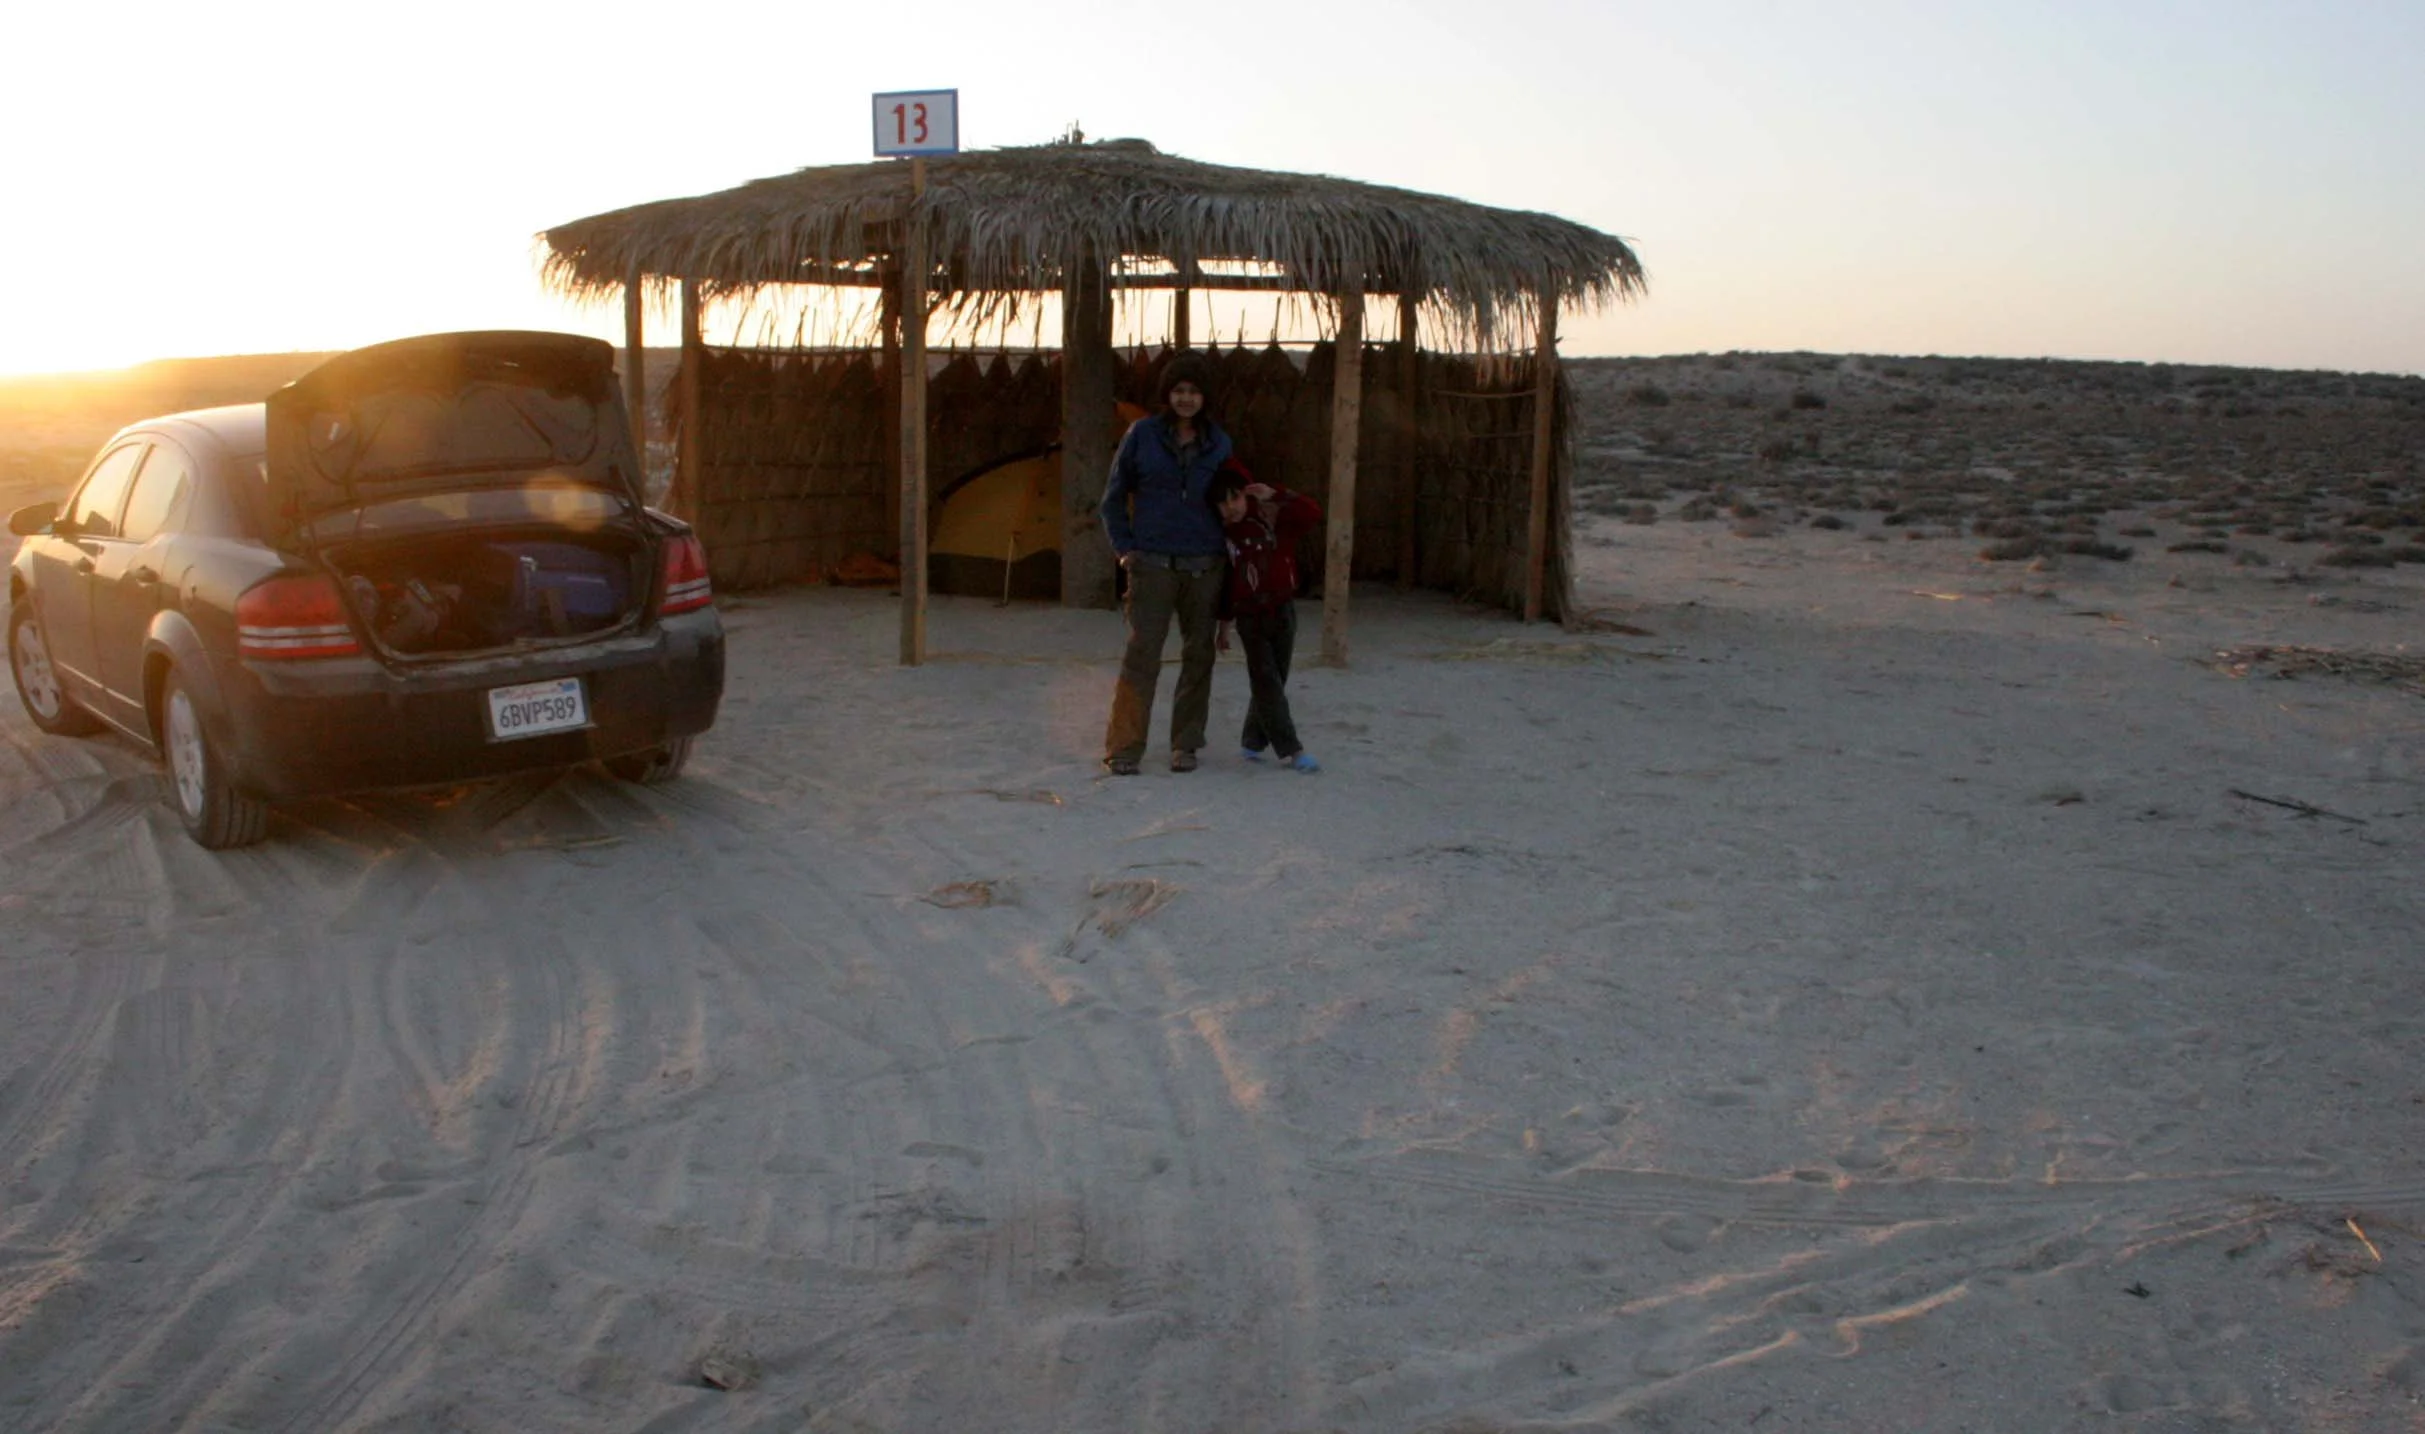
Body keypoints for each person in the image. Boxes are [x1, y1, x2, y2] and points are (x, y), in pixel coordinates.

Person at [1099, 353, 1232, 775]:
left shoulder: (1220, 443)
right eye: (1179, 391)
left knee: (1199, 656)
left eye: (1193, 391)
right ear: (1167, 394)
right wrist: (1126, 550)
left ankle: (1185, 743)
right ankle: (1124, 749)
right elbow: (1113, 499)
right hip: (1151, 563)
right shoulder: (1141, 435)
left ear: (1205, 396)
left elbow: (1231, 499)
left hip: (1204, 565)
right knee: (1142, 656)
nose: (1186, 399)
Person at [1210, 467, 1323, 773]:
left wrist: (1277, 494)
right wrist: (1224, 624)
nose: (1229, 508)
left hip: (1283, 608)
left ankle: (1252, 740)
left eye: (1234, 499)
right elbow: (1227, 582)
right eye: (1221, 504)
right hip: (1249, 616)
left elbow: (1312, 514)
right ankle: (1292, 749)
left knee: (1277, 677)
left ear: (1246, 496)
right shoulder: (1224, 536)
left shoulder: (1272, 516)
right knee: (1266, 680)